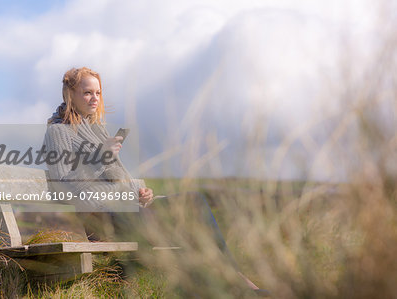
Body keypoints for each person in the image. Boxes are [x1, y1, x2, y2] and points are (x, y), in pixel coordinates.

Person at [43, 67, 269, 297]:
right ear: (70, 95)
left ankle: (232, 282)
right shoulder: (59, 132)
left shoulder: (98, 131)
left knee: (194, 202)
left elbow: (116, 180)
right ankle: (235, 287)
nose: (95, 98)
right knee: (187, 226)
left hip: (127, 212)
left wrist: (141, 193)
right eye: (87, 93)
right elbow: (65, 183)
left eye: (98, 93)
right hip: (102, 219)